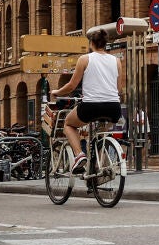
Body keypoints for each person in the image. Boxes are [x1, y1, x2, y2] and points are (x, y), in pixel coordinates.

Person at [50, 28, 124, 173]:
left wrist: (56, 92)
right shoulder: (116, 61)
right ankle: (96, 166)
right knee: (99, 134)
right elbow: (119, 89)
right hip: (114, 108)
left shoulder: (84, 59)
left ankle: (79, 155)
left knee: (69, 124)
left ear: (91, 43)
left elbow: (72, 85)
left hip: (91, 106)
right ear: (105, 44)